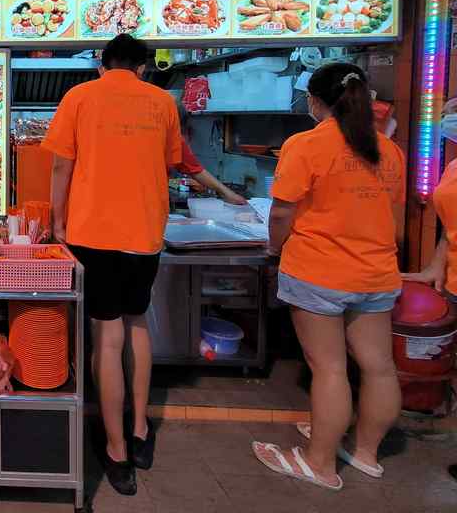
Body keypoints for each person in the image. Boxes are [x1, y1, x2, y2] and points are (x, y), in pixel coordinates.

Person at [253, 62, 405, 492]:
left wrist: (274, 247)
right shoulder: (387, 150)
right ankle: (366, 453)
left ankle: (319, 463)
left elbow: (282, 211)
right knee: (379, 369)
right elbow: (393, 220)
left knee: (330, 370)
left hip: (320, 270)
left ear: (315, 102)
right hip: (377, 271)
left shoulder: (306, 145)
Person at [44, 34, 180, 496]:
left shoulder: (80, 96)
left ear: (102, 65)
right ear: (142, 67)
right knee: (137, 323)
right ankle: (141, 429)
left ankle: (117, 451)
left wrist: (58, 220)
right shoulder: (163, 102)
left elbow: (61, 166)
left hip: (92, 233)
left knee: (106, 336)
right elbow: (170, 163)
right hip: (145, 233)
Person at [402, 96, 457, 486]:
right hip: (453, 279)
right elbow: (447, 223)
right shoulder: (453, 167)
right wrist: (436, 265)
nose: (448, 118)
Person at [174, 105, 247, 205]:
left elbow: (195, 170)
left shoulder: (175, 140)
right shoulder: (169, 137)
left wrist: (229, 194)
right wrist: (228, 193)